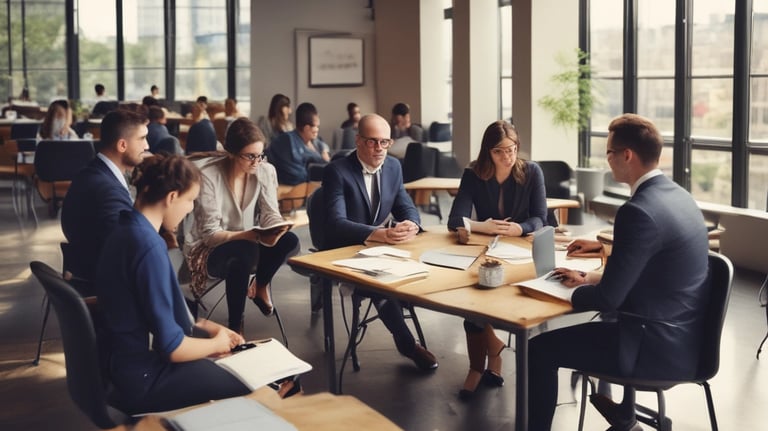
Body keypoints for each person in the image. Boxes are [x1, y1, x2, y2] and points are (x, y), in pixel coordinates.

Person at [528, 113, 710, 431]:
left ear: (627, 155)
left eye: (609, 153)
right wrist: (592, 277)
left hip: (650, 346)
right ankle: (624, 417)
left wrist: (566, 291)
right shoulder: (680, 196)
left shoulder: (637, 211)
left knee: (539, 348)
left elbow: (609, 299)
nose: (607, 160)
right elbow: (652, 271)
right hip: (687, 337)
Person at [94, 154, 299, 414]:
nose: (191, 208)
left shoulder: (125, 229)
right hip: (145, 378)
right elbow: (172, 348)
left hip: (120, 368)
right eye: (190, 200)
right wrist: (217, 345)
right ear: (171, 197)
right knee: (279, 383)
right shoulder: (148, 247)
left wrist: (210, 327)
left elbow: (157, 306)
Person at [321, 113, 438, 371]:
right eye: (373, 142)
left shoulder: (394, 167)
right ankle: (407, 343)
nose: (379, 149)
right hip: (343, 249)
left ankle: (405, 305)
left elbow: (407, 207)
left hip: (379, 248)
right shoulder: (336, 172)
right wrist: (378, 233)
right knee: (377, 282)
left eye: (385, 142)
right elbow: (336, 223)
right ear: (358, 140)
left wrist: (411, 224)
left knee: (418, 267)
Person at [446, 120, 547, 400]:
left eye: (512, 149)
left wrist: (521, 228)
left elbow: (541, 217)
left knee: (493, 302)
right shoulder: (474, 174)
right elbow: (455, 219)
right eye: (500, 151)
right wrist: (481, 227)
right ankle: (479, 366)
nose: (508, 156)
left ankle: (491, 358)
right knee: (471, 302)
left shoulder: (532, 172)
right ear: (487, 152)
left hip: (521, 252)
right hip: (487, 250)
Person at [184, 118, 300, 332]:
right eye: (250, 156)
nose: (257, 162)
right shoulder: (208, 175)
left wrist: (276, 228)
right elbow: (210, 235)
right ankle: (236, 325)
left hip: (248, 240)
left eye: (260, 155)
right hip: (210, 249)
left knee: (290, 241)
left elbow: (270, 215)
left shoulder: (265, 170)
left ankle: (260, 285)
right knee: (242, 254)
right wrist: (251, 236)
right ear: (231, 153)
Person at [61, 109, 150, 292]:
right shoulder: (107, 189)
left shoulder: (92, 172)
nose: (147, 146)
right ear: (122, 145)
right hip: (108, 290)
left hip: (85, 271)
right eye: (142, 139)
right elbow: (128, 247)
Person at [268, 102, 329, 185]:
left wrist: (324, 150)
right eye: (316, 126)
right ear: (307, 128)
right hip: (295, 189)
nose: (318, 130)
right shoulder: (287, 141)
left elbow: (322, 143)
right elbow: (295, 176)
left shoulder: (313, 140)